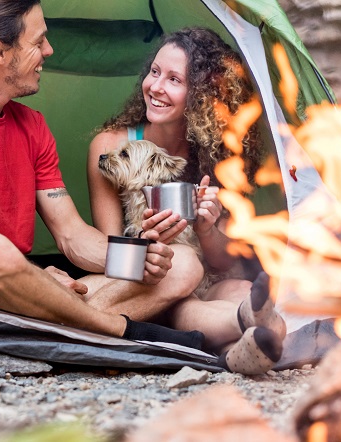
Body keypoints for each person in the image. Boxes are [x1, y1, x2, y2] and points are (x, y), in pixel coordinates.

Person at [0, 0, 206, 351]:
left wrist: (141, 259)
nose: (49, 51)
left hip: (29, 290)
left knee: (181, 264)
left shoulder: (32, 128)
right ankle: (115, 328)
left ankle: (39, 330)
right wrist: (28, 277)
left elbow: (72, 236)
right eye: (38, 42)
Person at [87, 27, 286, 374]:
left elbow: (224, 260)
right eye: (154, 72)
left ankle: (243, 348)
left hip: (208, 278)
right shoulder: (111, 147)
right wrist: (147, 245)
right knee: (182, 280)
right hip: (149, 283)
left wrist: (208, 229)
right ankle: (255, 334)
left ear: (202, 96)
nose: (156, 87)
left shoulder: (219, 158)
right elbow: (108, 253)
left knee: (240, 287)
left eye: (174, 79)